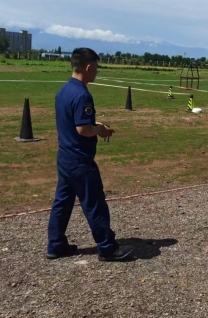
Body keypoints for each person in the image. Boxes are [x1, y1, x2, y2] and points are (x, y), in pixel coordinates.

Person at [47, 48, 133, 261]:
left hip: (65, 157)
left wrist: (94, 124)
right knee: (94, 203)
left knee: (62, 202)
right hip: (80, 160)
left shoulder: (63, 91)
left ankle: (56, 244)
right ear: (87, 67)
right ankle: (107, 248)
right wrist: (100, 130)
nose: (96, 72)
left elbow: (74, 122)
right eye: (95, 67)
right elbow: (83, 129)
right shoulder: (82, 94)